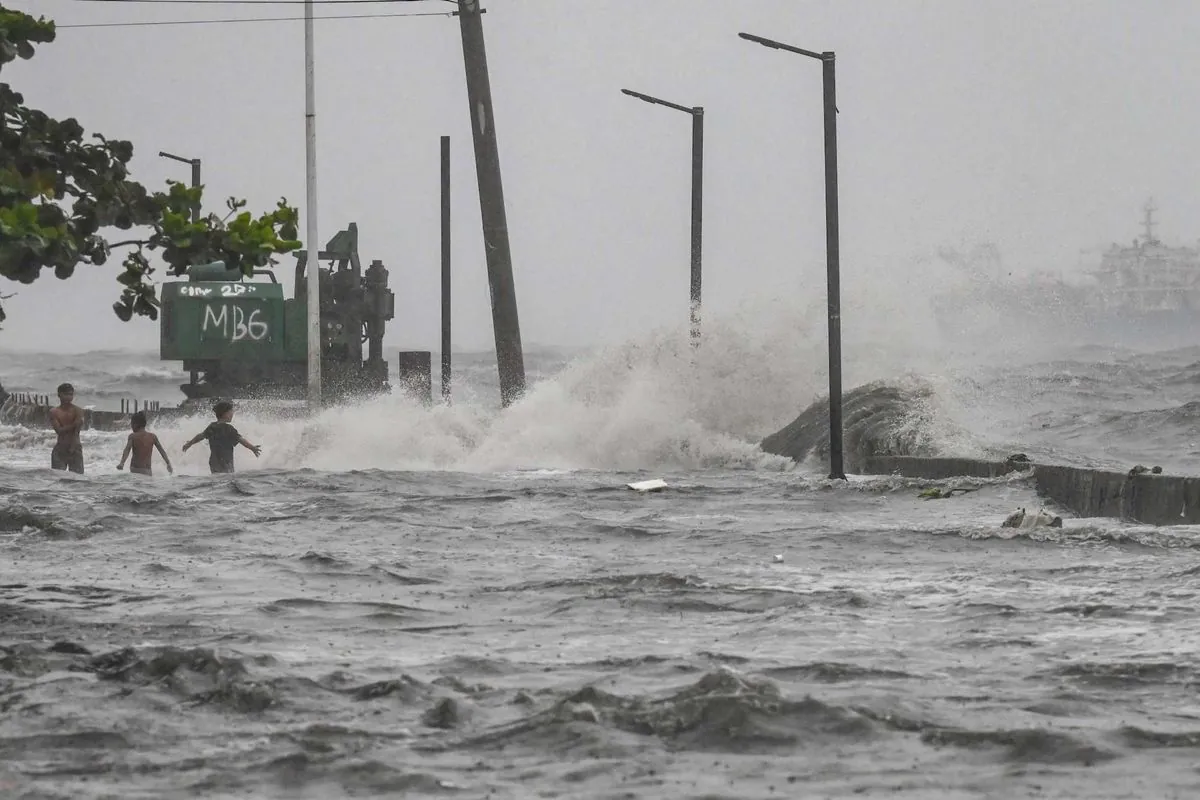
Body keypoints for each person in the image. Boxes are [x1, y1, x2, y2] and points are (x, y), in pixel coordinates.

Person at [182, 400, 261, 474]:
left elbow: (200, 436)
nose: (232, 414)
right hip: (226, 461)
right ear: (225, 414)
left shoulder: (212, 426)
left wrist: (189, 443)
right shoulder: (229, 429)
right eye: (231, 412)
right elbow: (241, 440)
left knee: (217, 480)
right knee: (226, 480)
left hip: (214, 462)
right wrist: (252, 448)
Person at [117, 411, 173, 477]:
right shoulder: (153, 436)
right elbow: (162, 451)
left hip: (136, 471)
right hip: (148, 472)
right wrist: (168, 463)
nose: (131, 426)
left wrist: (122, 463)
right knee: (147, 486)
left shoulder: (132, 436)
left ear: (135, 424)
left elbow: (127, 450)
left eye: (131, 424)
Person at [49, 382, 85, 474]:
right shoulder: (54, 412)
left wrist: (72, 447)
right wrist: (74, 424)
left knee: (78, 480)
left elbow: (76, 432)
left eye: (71, 394)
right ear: (59, 395)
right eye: (66, 394)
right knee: (58, 478)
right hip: (61, 448)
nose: (69, 397)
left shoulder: (78, 410)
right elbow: (59, 431)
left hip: (75, 448)